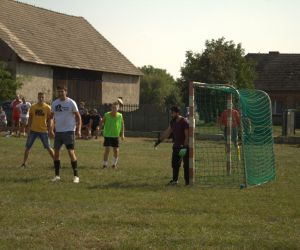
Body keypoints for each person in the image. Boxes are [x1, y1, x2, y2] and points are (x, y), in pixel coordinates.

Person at [50, 85, 82, 183]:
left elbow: (78, 117)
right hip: (58, 132)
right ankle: (57, 176)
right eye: (58, 92)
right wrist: (50, 129)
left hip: (69, 131)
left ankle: (76, 176)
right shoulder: (55, 103)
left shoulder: (71, 102)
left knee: (70, 152)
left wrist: (79, 129)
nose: (60, 93)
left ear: (66, 92)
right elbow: (51, 117)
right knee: (56, 154)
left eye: (62, 91)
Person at [154, 106, 189, 186]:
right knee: (175, 164)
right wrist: (159, 141)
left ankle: (187, 182)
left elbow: (187, 136)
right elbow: (167, 133)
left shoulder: (184, 122)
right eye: (171, 113)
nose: (171, 114)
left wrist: (185, 147)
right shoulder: (172, 122)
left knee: (186, 165)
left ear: (177, 113)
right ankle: (174, 181)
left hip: (183, 147)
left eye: (173, 113)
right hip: (176, 147)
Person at [21, 92, 54, 167]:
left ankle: (56, 162)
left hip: (43, 131)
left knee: (48, 147)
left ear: (44, 98)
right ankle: (24, 163)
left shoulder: (48, 107)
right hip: (33, 130)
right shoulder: (33, 107)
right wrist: (28, 128)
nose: (41, 98)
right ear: (37, 97)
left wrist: (50, 129)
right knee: (28, 147)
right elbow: (30, 118)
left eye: (42, 97)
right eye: (40, 97)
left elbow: (50, 119)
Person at [101, 102, 125, 169]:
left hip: (116, 135)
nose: (114, 109)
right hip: (107, 135)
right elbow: (102, 122)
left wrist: (122, 134)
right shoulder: (106, 114)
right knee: (107, 150)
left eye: (116, 108)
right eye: (113, 107)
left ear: (118, 108)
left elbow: (122, 124)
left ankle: (114, 164)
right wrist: (99, 129)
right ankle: (105, 164)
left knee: (116, 150)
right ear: (111, 108)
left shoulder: (120, 115)